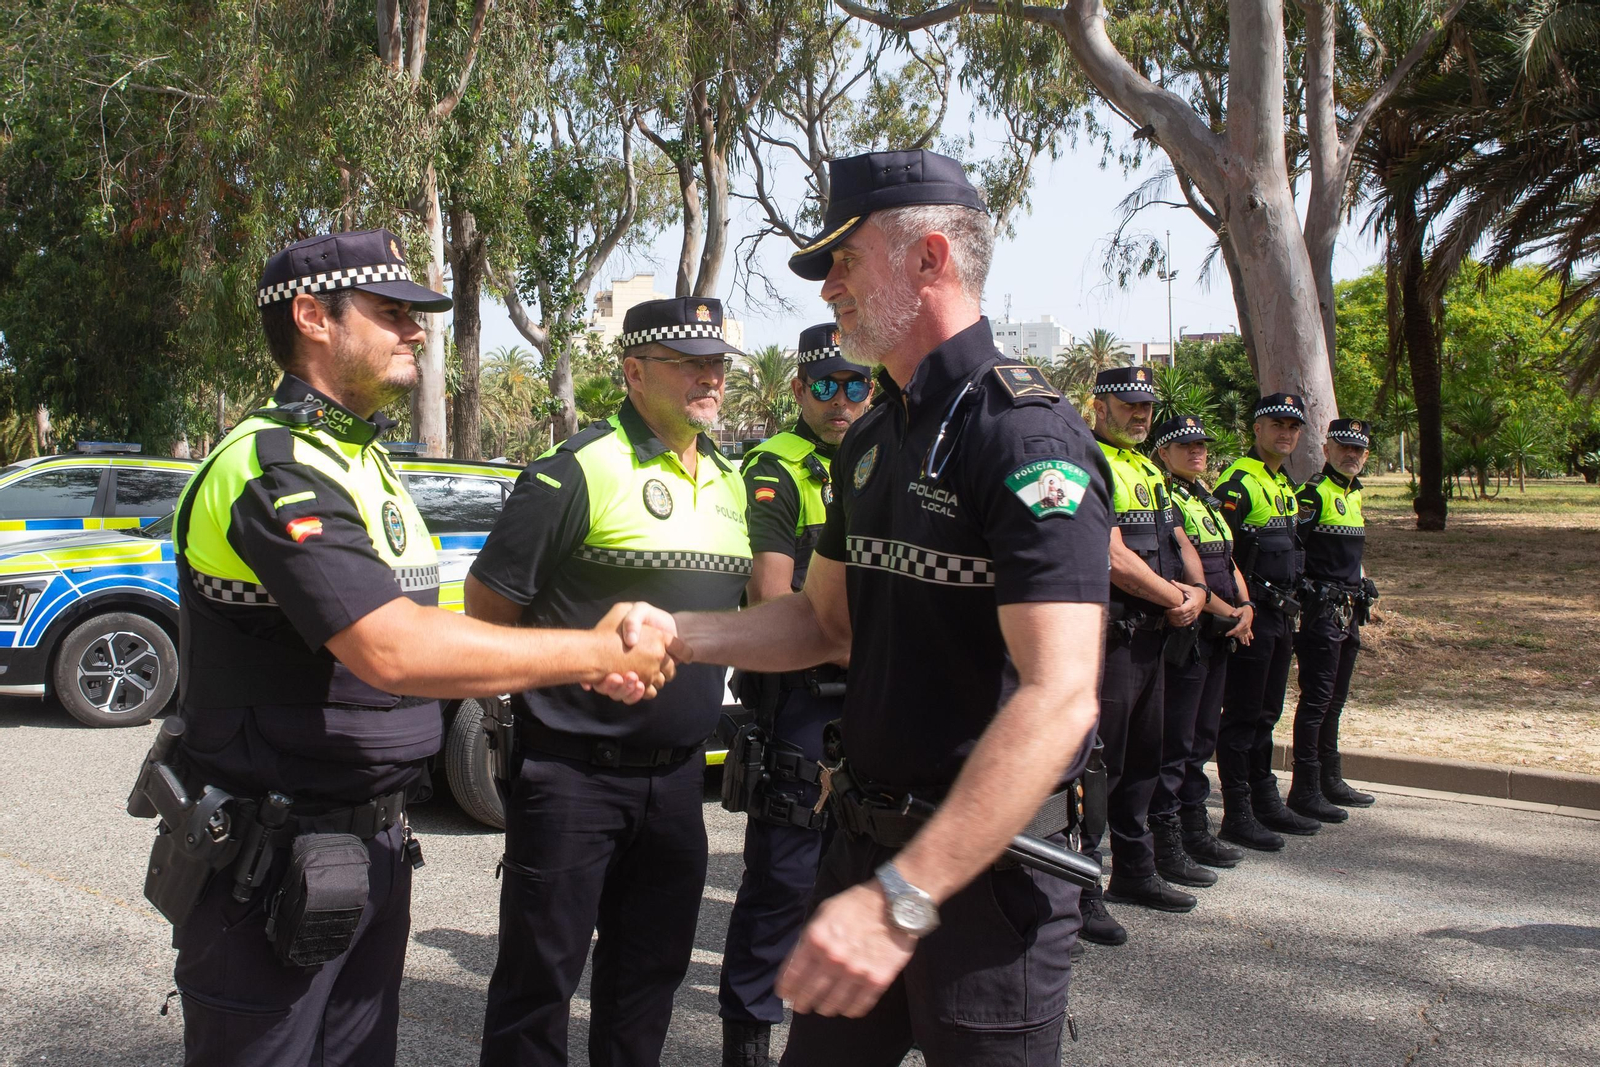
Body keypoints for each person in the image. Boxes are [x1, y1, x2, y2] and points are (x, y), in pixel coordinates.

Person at [630, 148, 1112, 1066]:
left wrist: (901, 900)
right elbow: (821, 623)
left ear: (930, 259)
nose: (828, 291)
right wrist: (682, 635)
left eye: (844, 262)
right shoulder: (874, 437)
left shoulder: (1025, 436)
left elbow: (1060, 696)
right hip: (861, 851)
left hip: (980, 882)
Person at [151, 228, 675, 1067]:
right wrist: (591, 650)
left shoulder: (369, 464)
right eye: (392, 311)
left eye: (419, 313)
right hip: (269, 860)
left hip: (371, 851)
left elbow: (443, 635)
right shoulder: (270, 464)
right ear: (313, 317)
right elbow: (391, 649)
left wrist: (550, 667)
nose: (417, 329)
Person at [466, 297, 752, 1067]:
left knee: (646, 988)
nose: (709, 377)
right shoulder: (576, 471)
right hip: (571, 778)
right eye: (689, 362)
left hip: (679, 784)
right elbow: (488, 609)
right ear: (633, 372)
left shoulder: (732, 482)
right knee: (537, 986)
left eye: (717, 363)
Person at [720, 324, 873, 1067]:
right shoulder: (775, 466)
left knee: (861, 866)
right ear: (797, 389)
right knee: (783, 876)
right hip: (806, 698)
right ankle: (748, 1031)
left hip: (874, 696)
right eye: (825, 385)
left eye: (855, 385)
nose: (841, 400)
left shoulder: (882, 460)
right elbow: (775, 596)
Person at [1076, 369, 1210, 947]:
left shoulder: (1151, 468)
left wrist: (1198, 593)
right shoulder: (1089, 460)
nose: (1140, 415)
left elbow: (1179, 542)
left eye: (1147, 406)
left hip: (1156, 634)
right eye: (1128, 404)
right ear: (1099, 405)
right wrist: (1174, 597)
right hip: (1113, 641)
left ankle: (1135, 871)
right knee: (1095, 770)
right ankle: (1081, 891)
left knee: (1144, 762)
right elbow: (1109, 557)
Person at [1213, 394, 1321, 850]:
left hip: (1282, 616)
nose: (1286, 433)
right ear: (1256, 429)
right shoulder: (1239, 481)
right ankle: (1237, 811)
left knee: (1267, 713)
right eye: (1277, 424)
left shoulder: (1284, 484)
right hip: (1252, 615)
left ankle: (1264, 799)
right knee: (1242, 716)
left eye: (1294, 427)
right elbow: (1220, 553)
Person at [1147, 415, 1253, 877]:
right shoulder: (1167, 497)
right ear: (1164, 453)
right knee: (1179, 740)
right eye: (1185, 446)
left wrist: (1245, 605)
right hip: (1192, 630)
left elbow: (1228, 561)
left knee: (1204, 735)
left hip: (1221, 629)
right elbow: (1183, 569)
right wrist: (1225, 611)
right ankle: (1167, 838)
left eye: (1201, 446)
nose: (1197, 452)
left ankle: (1195, 827)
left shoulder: (1204, 498)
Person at [1289, 419, 1379, 819]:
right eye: (1344, 448)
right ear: (1326, 450)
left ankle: (1330, 778)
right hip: (1321, 614)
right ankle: (1305, 787)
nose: (1351, 455)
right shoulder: (1313, 494)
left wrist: (1362, 581)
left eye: (1358, 450)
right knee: (1317, 701)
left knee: (1335, 702)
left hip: (1349, 613)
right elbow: (1295, 552)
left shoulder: (1354, 496)